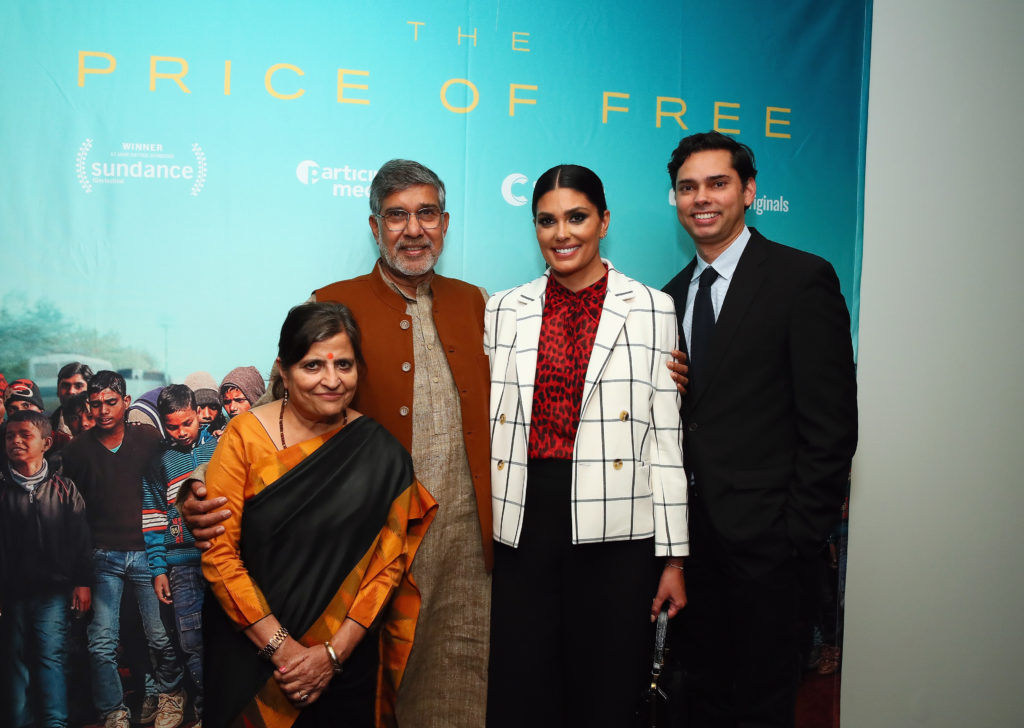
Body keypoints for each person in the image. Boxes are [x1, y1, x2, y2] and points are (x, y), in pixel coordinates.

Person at [185, 160, 494, 726]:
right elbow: (276, 413)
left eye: (426, 213)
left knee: (455, 682)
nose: (413, 229)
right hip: (351, 552)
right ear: (375, 227)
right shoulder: (333, 299)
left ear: (445, 223)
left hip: (459, 549)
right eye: (396, 216)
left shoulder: (479, 305)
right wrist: (196, 487)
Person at [661, 131, 858, 728]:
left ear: (748, 191)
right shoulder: (666, 298)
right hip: (694, 554)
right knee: (701, 703)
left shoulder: (801, 280)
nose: (702, 198)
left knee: (763, 709)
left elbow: (832, 425)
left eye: (717, 183)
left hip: (772, 553)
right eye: (688, 187)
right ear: (674, 198)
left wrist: (797, 535)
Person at [484, 164, 688, 727]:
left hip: (617, 528)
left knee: (605, 687)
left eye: (576, 217)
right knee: (523, 683)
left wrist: (673, 556)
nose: (562, 233)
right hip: (523, 521)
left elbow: (665, 441)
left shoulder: (652, 307)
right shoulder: (502, 308)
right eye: (546, 221)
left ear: (604, 221)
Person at [200, 302, 436, 728]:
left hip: (344, 667)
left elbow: (387, 565)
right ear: (284, 371)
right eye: (313, 366)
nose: (332, 380)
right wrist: (285, 652)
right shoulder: (245, 439)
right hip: (252, 662)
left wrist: (332, 655)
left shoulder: (381, 455)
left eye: (344, 364)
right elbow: (219, 554)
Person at [61, 371, 186, 728]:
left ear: (126, 403)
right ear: (89, 405)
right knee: (101, 642)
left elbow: (171, 481)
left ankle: (169, 696)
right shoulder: (77, 451)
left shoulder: (148, 439)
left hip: (147, 552)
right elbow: (74, 518)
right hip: (102, 558)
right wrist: (80, 576)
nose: (103, 410)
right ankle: (113, 712)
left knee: (159, 636)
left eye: (111, 402)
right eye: (96, 404)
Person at [0, 409, 92, 728]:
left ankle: (56, 722)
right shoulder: (2, 489)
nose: (15, 441)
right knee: (13, 663)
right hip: (10, 594)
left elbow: (81, 541)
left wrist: (82, 583)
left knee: (51, 657)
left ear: (46, 442)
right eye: (10, 435)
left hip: (53, 592)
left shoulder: (64, 489)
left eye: (25, 435)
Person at [142, 385, 220, 725]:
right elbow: (154, 518)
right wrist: (159, 569)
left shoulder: (220, 448)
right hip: (181, 566)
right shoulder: (159, 462)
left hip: (222, 558)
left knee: (225, 636)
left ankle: (225, 710)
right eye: (171, 426)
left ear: (197, 412)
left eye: (186, 423)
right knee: (190, 642)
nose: (180, 432)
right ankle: (205, 712)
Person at [52, 362, 94, 436]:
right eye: (65, 386)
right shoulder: (47, 426)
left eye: (78, 386)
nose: (71, 391)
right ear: (58, 391)